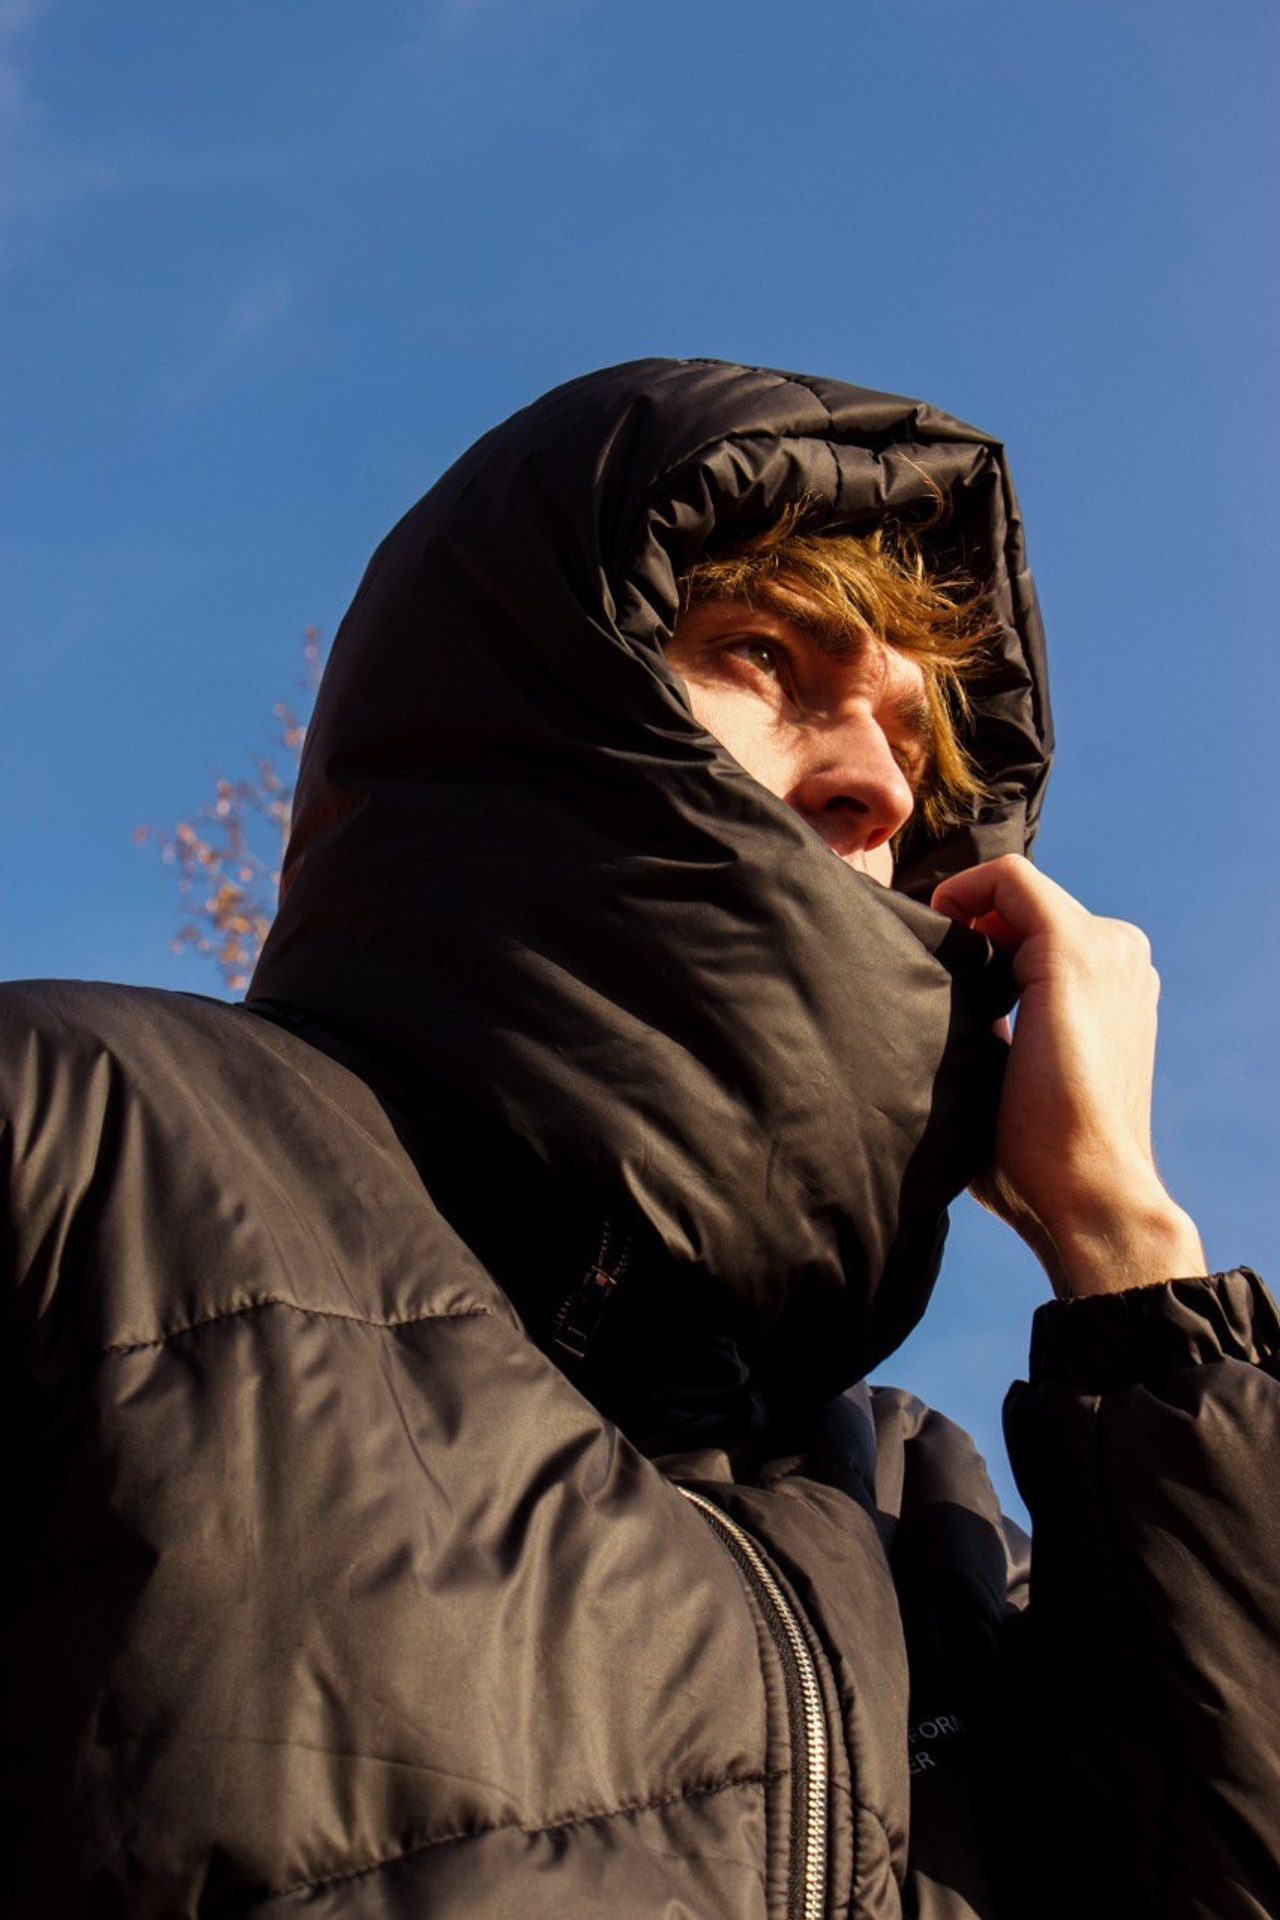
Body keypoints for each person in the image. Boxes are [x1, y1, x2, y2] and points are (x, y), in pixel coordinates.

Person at [3, 358, 1276, 1919]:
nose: (881, 784)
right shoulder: (77, 1139)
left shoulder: (928, 1519)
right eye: (764, 655)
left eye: (917, 752)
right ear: (536, 694)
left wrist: (1129, 1255)